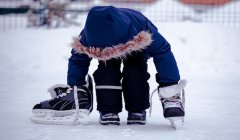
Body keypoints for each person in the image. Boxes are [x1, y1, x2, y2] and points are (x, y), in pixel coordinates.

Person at [31, 6, 186, 127]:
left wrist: (169, 86)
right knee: (107, 71)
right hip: (106, 53)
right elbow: (78, 61)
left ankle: (137, 109)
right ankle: (108, 109)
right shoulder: (87, 36)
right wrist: (76, 88)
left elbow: (163, 52)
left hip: (135, 47)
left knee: (135, 71)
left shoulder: (142, 29)